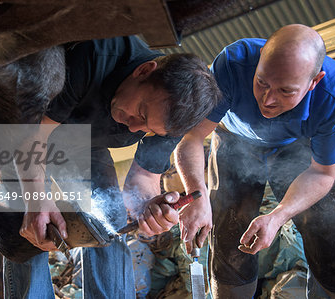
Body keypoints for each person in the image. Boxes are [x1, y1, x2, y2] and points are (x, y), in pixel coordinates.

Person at [11, 35, 222, 298]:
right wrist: (36, 198)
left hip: (82, 145)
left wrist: (150, 208)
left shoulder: (170, 121)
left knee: (110, 219)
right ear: (143, 72)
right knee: (29, 224)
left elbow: (143, 177)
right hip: (26, 130)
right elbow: (32, 137)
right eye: (141, 114)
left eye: (147, 129)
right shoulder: (94, 56)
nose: (133, 128)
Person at [174, 24, 335, 298]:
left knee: (330, 224)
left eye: (286, 91)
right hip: (233, 139)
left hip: (297, 145)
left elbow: (323, 173)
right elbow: (192, 138)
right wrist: (196, 196)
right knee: (230, 229)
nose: (267, 100)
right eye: (261, 83)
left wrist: (278, 216)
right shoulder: (233, 63)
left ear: (314, 82)